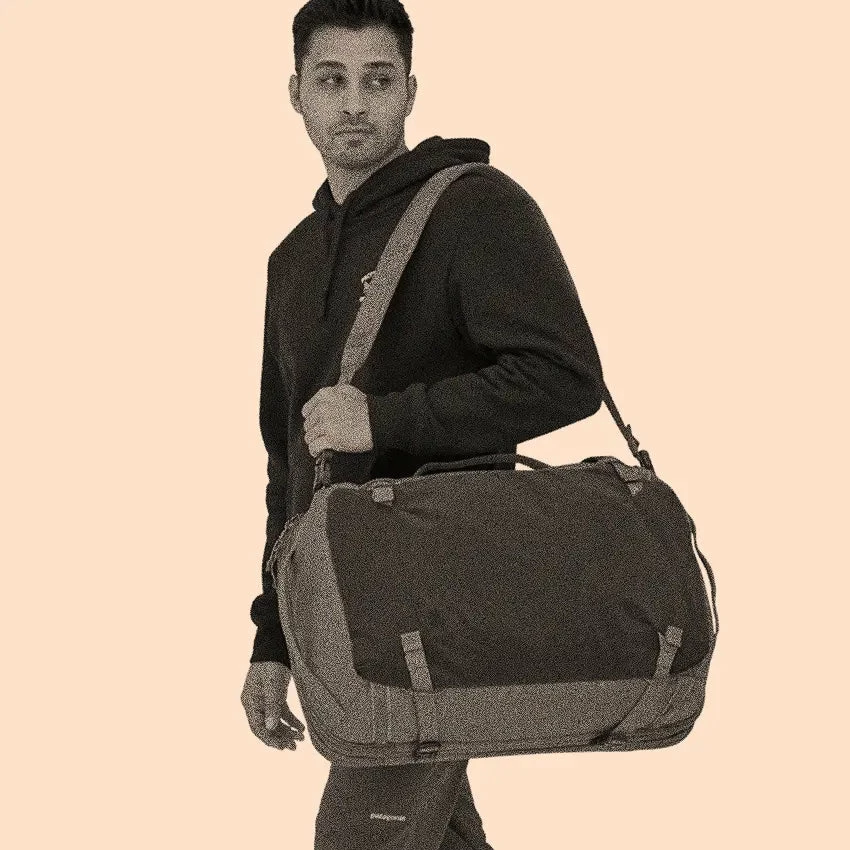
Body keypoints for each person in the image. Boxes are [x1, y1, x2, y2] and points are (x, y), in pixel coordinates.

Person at [240, 1, 604, 847]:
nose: (354, 103)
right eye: (331, 80)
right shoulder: (291, 262)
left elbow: (565, 377)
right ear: (295, 93)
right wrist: (272, 636)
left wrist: (382, 420)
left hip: (439, 604)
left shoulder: (473, 209)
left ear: (411, 90)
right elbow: (288, 464)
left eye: (378, 80)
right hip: (339, 609)